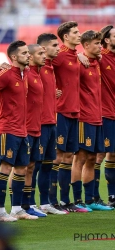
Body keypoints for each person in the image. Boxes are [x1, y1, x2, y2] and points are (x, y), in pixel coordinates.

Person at [71, 30, 113, 211]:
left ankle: (92, 199)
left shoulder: (97, 62)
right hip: (88, 116)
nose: (99, 46)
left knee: (93, 157)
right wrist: (79, 54)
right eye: (96, 44)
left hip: (99, 116)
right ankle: (77, 200)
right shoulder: (85, 61)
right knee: (82, 157)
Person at [0, 41, 35, 221]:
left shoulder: (24, 74)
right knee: (5, 168)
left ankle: (16, 209)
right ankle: (0, 212)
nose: (28, 55)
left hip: (22, 130)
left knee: (21, 169)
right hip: (7, 129)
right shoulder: (7, 74)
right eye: (25, 53)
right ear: (14, 57)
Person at [52, 21, 87, 212]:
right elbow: (40, 66)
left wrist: (80, 55)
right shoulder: (59, 55)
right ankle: (50, 201)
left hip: (75, 111)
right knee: (57, 156)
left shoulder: (75, 55)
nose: (79, 34)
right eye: (75, 32)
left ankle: (65, 201)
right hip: (61, 111)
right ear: (66, 37)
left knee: (67, 156)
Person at [30, 33, 67, 215]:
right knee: (33, 165)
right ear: (43, 48)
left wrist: (53, 95)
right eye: (54, 45)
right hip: (38, 124)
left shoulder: (50, 67)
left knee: (47, 164)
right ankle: (27, 204)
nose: (57, 48)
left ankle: (45, 203)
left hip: (51, 121)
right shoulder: (35, 68)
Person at [20, 44, 47, 218]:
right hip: (26, 128)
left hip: (37, 127)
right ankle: (18, 206)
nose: (44, 56)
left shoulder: (37, 74)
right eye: (40, 53)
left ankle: (27, 204)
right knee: (20, 168)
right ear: (30, 56)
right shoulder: (26, 75)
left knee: (31, 167)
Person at [95, 25, 115, 207]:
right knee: (100, 154)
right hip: (106, 113)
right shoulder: (100, 57)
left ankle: (112, 196)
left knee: (113, 155)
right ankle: (93, 196)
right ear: (107, 40)